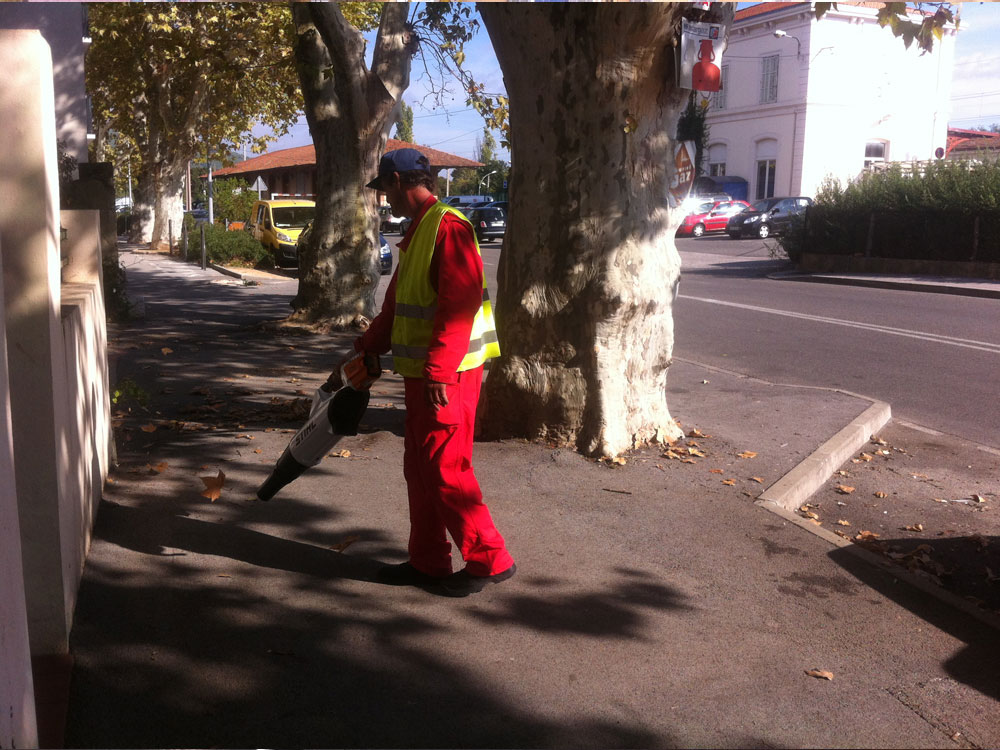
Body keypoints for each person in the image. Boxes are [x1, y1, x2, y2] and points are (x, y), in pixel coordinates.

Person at [343, 148, 515, 597]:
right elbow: (397, 307)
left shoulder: (449, 227)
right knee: (420, 469)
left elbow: (457, 308)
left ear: (399, 181)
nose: (383, 199)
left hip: (448, 376)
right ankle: (428, 562)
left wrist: (439, 372)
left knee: (446, 467)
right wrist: (365, 347)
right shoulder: (419, 232)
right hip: (425, 376)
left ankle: (489, 559)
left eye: (384, 190)